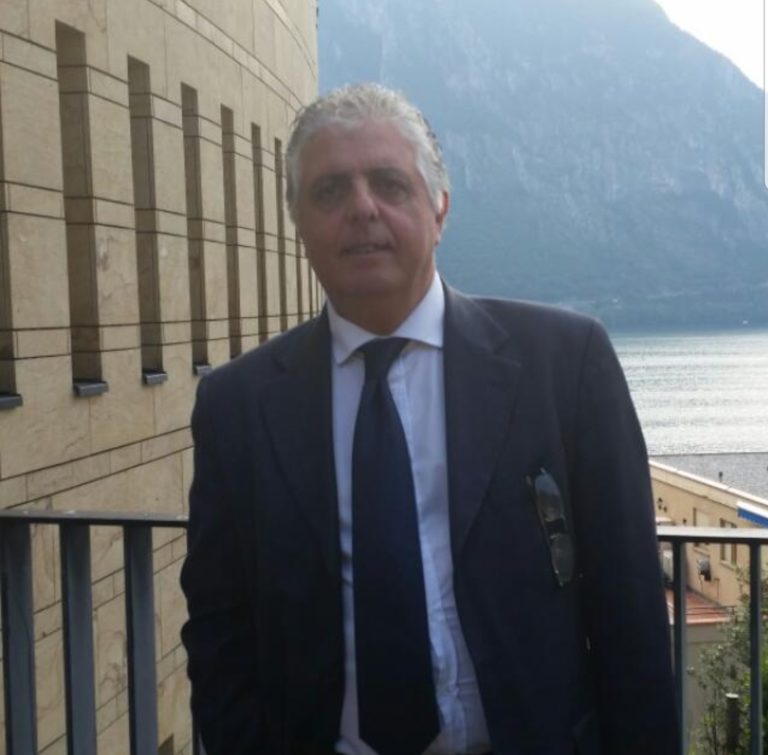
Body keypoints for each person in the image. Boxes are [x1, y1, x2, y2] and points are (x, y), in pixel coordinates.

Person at [180, 83, 678, 755]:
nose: (362, 208)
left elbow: (631, 609)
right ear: (298, 222)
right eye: (330, 191)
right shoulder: (238, 405)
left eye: (389, 184)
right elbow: (220, 625)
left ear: (439, 208)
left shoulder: (564, 363)